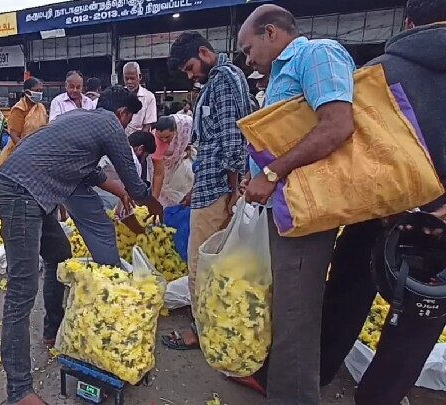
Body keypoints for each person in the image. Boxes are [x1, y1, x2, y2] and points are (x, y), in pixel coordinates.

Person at [0, 85, 163, 405]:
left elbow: (89, 174)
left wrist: (119, 192)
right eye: (128, 121)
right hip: (19, 194)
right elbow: (130, 174)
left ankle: (52, 328)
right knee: (21, 291)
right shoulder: (110, 124)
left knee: (59, 252)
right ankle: (19, 391)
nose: (126, 127)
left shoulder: (80, 119)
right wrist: (148, 200)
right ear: (123, 114)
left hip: (26, 191)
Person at [317, 2, 446, 404]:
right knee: (420, 318)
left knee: (347, 292)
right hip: (441, 221)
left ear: (408, 21)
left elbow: (350, 149)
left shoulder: (377, 71)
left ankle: (319, 370)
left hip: (376, 211)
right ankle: (379, 397)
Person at [234, 5, 357, 403]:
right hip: (286, 207)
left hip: (307, 207)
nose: (247, 58)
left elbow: (338, 124)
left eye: (248, 48)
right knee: (287, 308)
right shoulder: (279, 74)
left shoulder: (316, 54)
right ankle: (280, 388)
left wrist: (270, 174)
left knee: (296, 316)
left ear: (271, 33)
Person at [161, 31, 253, 350]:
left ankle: (200, 331)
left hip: (218, 187)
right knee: (217, 261)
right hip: (213, 184)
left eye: (190, 67)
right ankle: (217, 323)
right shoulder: (217, 81)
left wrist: (234, 191)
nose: (191, 75)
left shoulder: (224, 78)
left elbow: (231, 137)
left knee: (200, 262)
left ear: (204, 52)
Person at [0, 78, 48, 172]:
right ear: (27, 92)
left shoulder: (41, 107)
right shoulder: (19, 110)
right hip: (21, 152)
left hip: (39, 150)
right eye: (37, 91)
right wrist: (26, 150)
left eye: (41, 91)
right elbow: (14, 134)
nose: (40, 93)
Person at [152, 114, 194, 207]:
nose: (164, 140)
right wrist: (154, 200)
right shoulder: (156, 141)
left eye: (167, 137)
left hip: (179, 160)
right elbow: (158, 174)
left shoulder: (186, 124)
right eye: (161, 137)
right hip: (165, 164)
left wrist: (187, 146)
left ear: (176, 130)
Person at [122, 61, 158, 135]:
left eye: (132, 78)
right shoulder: (119, 95)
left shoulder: (149, 97)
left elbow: (147, 126)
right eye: (126, 79)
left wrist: (139, 142)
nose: (129, 82)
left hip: (137, 141)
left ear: (140, 77)